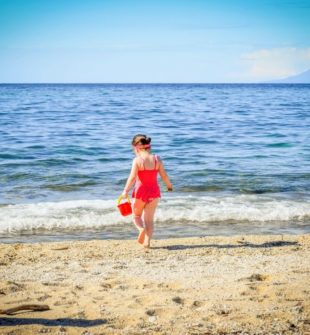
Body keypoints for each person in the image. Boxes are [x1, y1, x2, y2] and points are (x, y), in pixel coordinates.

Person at [121, 134, 173, 248]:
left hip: (140, 193)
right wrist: (169, 186)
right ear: (148, 147)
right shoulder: (156, 158)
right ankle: (147, 242)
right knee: (149, 220)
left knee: (136, 216)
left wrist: (125, 191)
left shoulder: (137, 160)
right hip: (154, 193)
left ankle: (141, 230)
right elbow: (164, 175)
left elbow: (132, 177)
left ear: (136, 147)